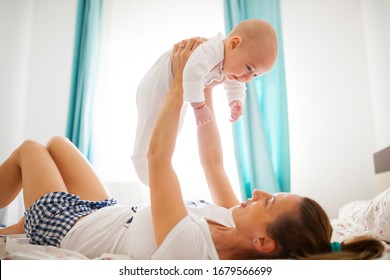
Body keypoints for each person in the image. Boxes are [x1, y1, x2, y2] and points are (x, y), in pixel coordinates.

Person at [0, 38, 384, 260]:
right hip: (105, 211)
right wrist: (205, 98)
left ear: (264, 243)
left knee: (32, 149)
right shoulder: (236, 220)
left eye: (268, 202)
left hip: (67, 227)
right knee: (58, 144)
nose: (259, 193)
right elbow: (213, 162)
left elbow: (158, 160)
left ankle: (25, 224)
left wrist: (182, 85)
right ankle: (15, 227)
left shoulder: (192, 250)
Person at [132, 19, 279, 186]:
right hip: (156, 85)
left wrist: (235, 100)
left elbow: (235, 82)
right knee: (150, 129)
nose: (247, 78)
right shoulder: (212, 49)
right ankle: (142, 166)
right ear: (234, 43)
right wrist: (199, 106)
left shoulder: (231, 63)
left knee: (169, 135)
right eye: (249, 68)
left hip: (176, 91)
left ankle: (157, 179)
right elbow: (192, 72)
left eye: (255, 75)